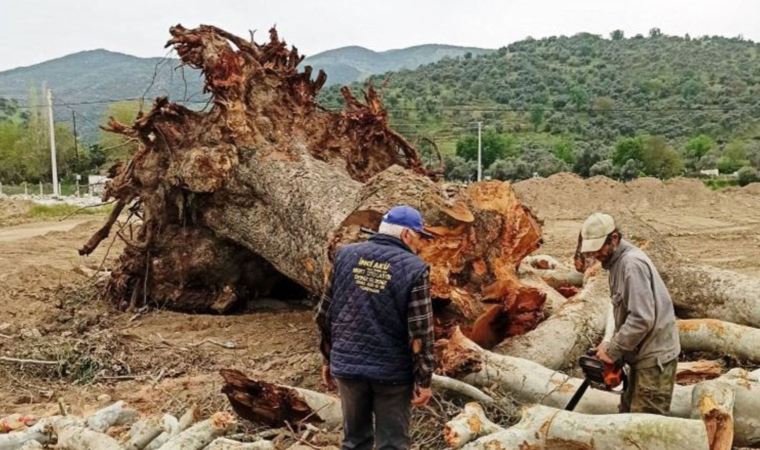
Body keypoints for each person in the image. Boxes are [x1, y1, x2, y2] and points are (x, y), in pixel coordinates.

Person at [315, 205, 435, 450]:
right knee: (392, 444)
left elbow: (324, 314)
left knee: (354, 442)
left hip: (348, 368)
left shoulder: (345, 256)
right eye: (420, 237)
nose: (421, 244)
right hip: (391, 374)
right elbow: (420, 332)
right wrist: (424, 379)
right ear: (406, 235)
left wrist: (329, 359)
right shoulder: (414, 269)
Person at [578, 212, 681, 414]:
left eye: (598, 248)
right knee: (627, 416)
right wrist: (609, 342)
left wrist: (613, 350)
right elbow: (618, 307)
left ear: (614, 238)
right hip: (640, 355)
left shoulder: (631, 265)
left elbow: (642, 318)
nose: (594, 255)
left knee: (646, 424)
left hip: (654, 359)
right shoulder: (616, 264)